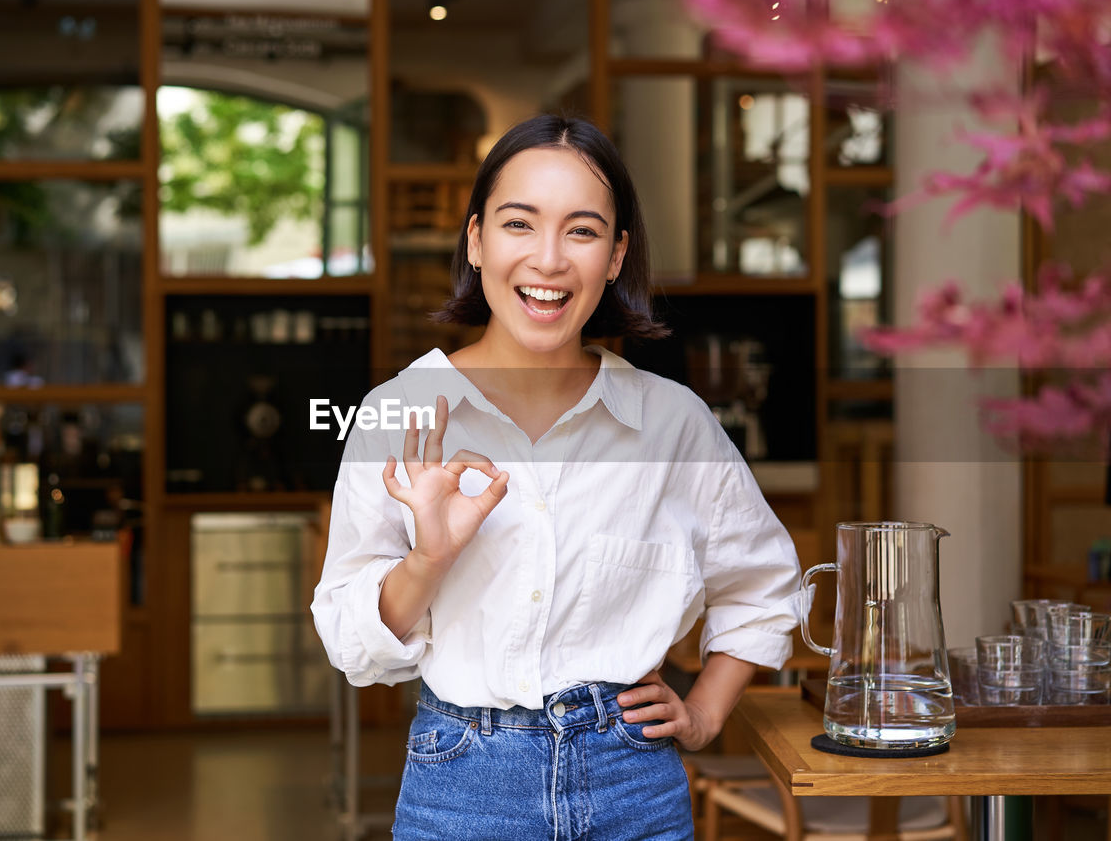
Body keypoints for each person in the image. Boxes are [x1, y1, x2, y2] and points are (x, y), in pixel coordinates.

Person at [311, 114, 804, 841]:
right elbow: (350, 641)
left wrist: (703, 713)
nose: (548, 259)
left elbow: (763, 586)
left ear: (615, 255)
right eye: (519, 224)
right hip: (463, 788)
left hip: (635, 784)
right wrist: (429, 558)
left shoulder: (672, 423)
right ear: (477, 241)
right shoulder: (401, 413)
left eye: (581, 230)